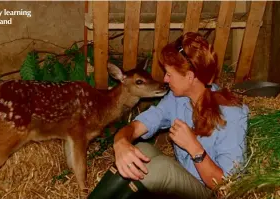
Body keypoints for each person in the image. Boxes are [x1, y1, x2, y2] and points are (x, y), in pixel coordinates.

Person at [88, 32, 249, 199]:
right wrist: (120, 142)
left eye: (169, 74)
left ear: (189, 77)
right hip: (187, 181)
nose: (165, 79)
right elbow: (140, 125)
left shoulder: (232, 116)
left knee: (162, 168)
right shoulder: (177, 99)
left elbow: (226, 186)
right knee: (140, 151)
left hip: (212, 192)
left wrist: (195, 149)